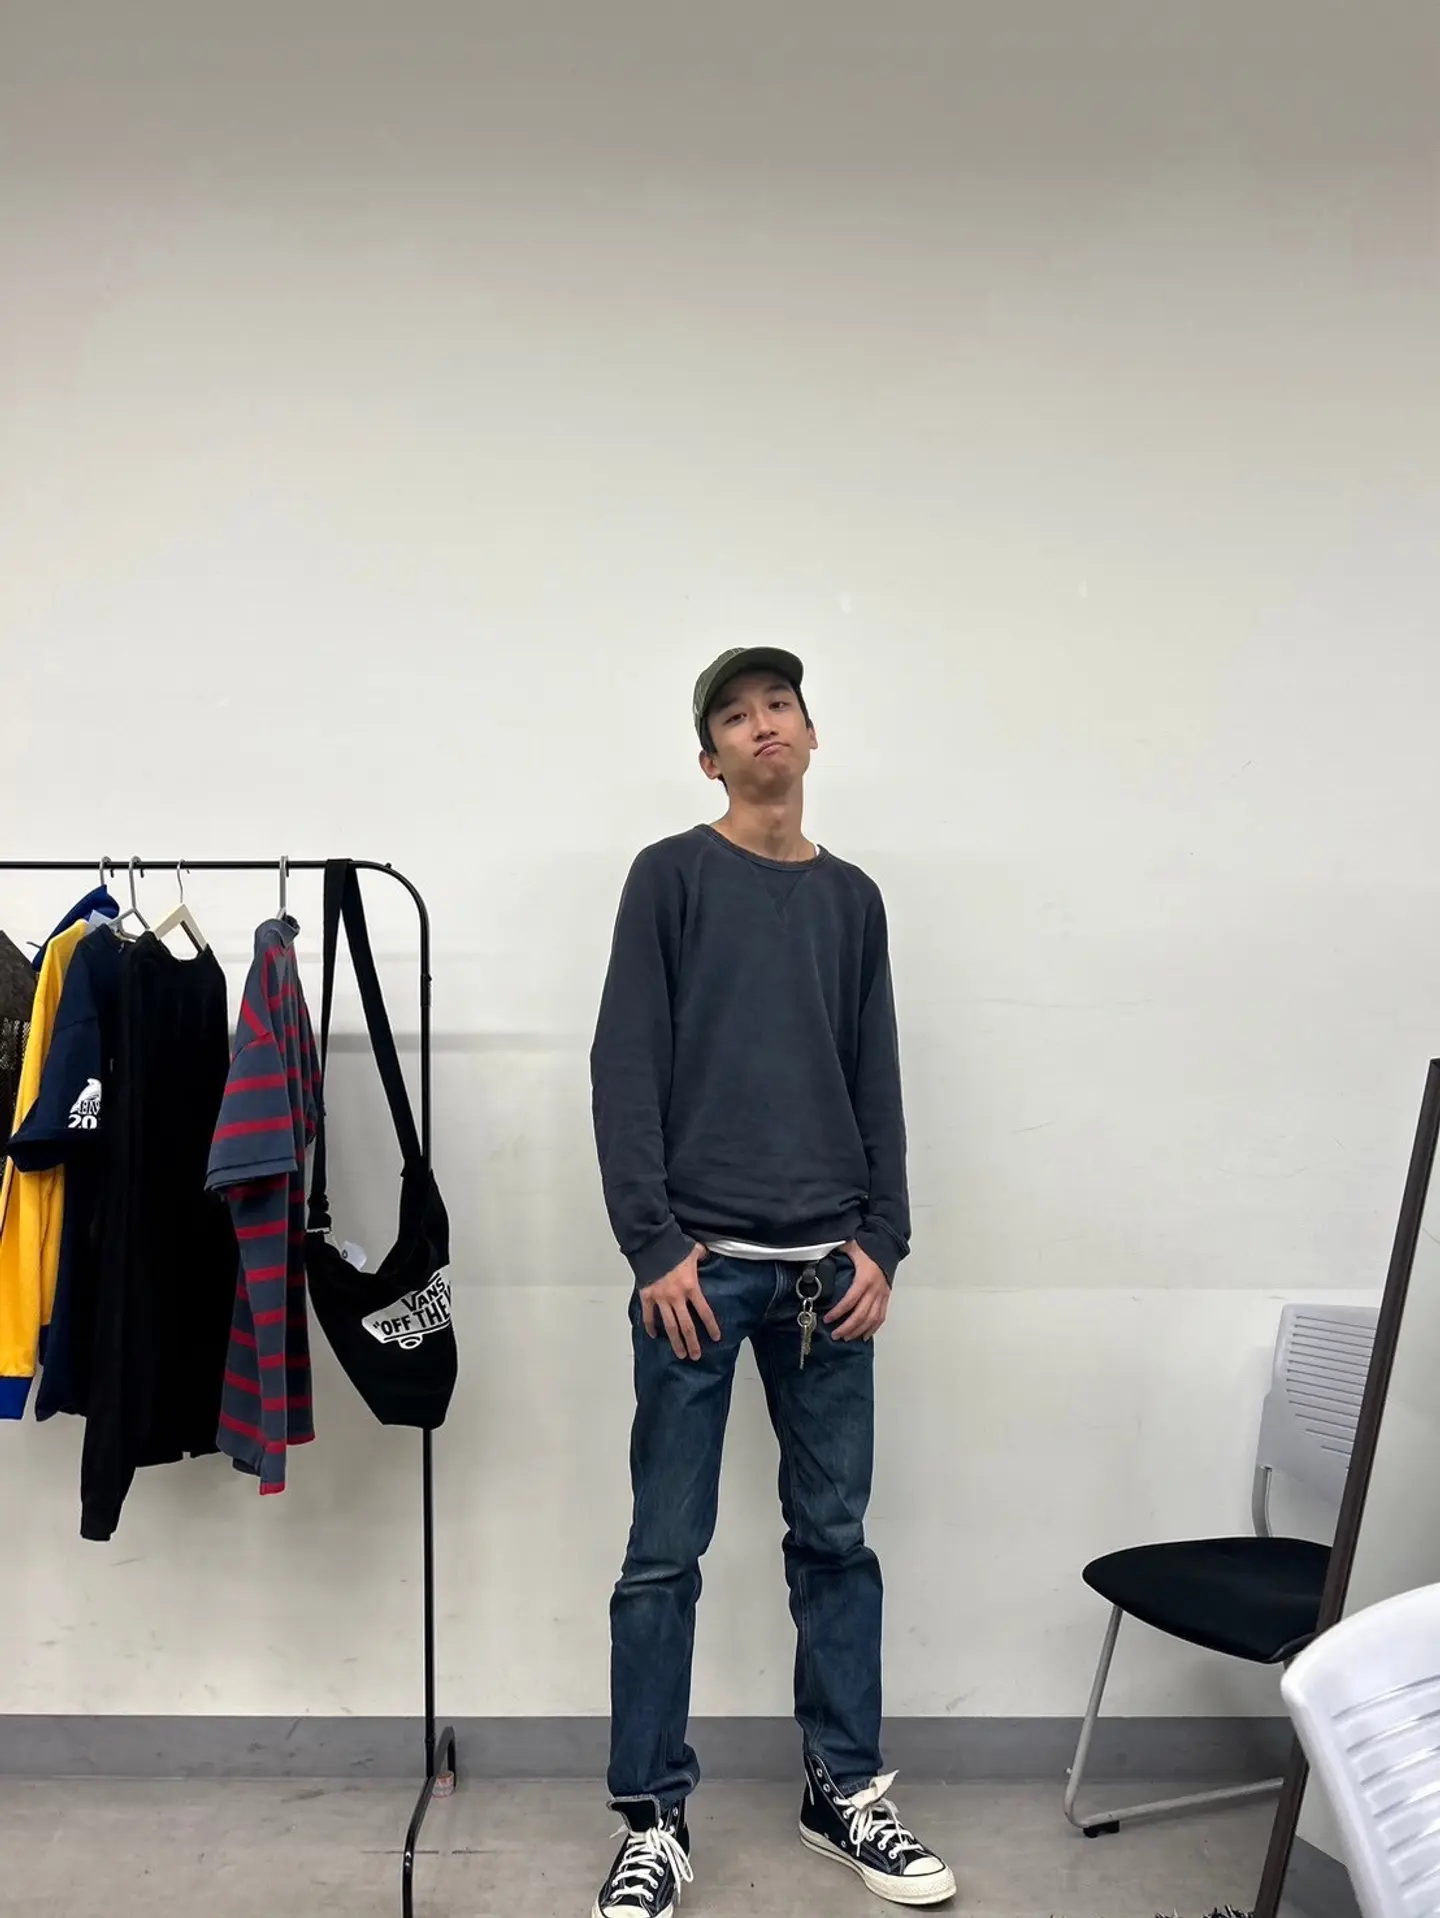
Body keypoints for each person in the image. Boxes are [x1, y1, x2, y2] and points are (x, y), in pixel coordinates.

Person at [588, 648, 955, 1916]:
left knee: (836, 1544)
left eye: (779, 706)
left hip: (829, 1278)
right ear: (710, 758)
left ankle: (842, 1790)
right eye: (736, 717)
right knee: (661, 1554)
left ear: (810, 734)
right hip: (697, 1274)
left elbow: (876, 1071)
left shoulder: (854, 900)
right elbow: (623, 1063)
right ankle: (652, 1819)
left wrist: (885, 1240)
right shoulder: (670, 877)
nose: (763, 727)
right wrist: (652, 1244)